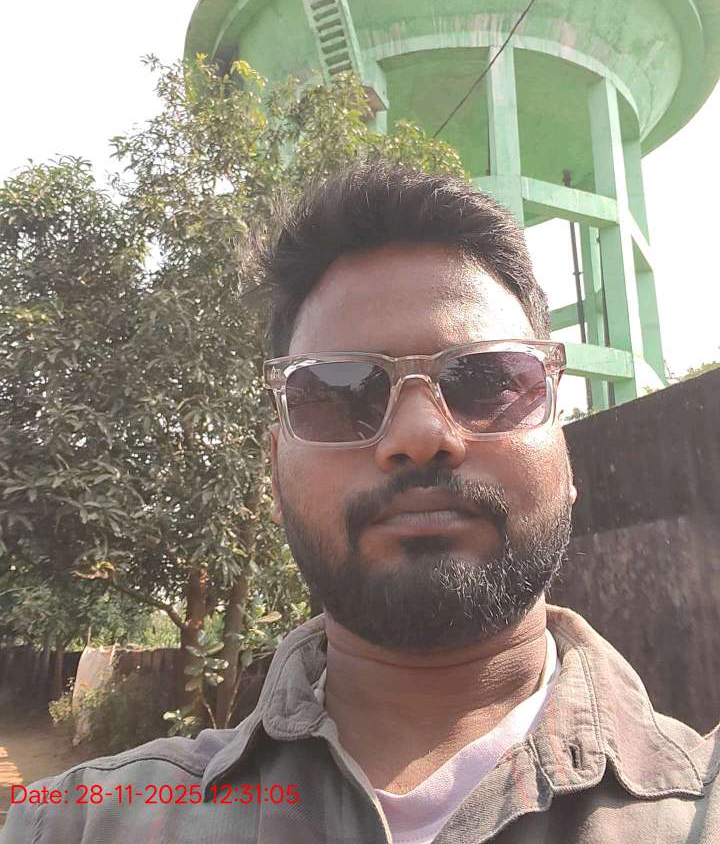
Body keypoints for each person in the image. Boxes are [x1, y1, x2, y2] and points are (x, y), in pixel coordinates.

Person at [3, 162, 718, 843]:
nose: (420, 437)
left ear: (562, 450)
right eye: (341, 392)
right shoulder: (78, 825)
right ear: (274, 471)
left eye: (487, 382)